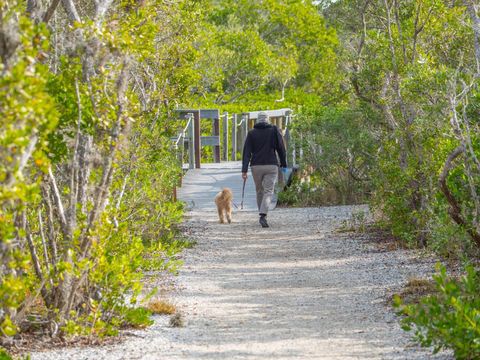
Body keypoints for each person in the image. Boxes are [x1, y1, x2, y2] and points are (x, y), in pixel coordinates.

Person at [242, 112, 287, 228]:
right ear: (268, 120)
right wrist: (283, 163)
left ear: (257, 120)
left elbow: (246, 152)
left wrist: (244, 170)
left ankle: (262, 214)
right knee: (268, 191)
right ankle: (263, 215)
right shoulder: (274, 130)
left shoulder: (251, 133)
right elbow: (281, 148)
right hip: (271, 165)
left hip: (256, 166)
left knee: (259, 191)